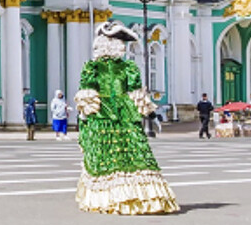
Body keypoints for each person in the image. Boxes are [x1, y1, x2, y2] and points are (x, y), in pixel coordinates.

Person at [74, 21, 177, 214]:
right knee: (121, 155)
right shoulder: (112, 67)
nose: (122, 46)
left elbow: (131, 93)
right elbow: (91, 93)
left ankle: (119, 199)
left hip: (110, 115)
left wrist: (84, 116)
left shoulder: (106, 67)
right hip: (114, 114)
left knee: (116, 156)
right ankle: (123, 198)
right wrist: (151, 114)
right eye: (120, 42)